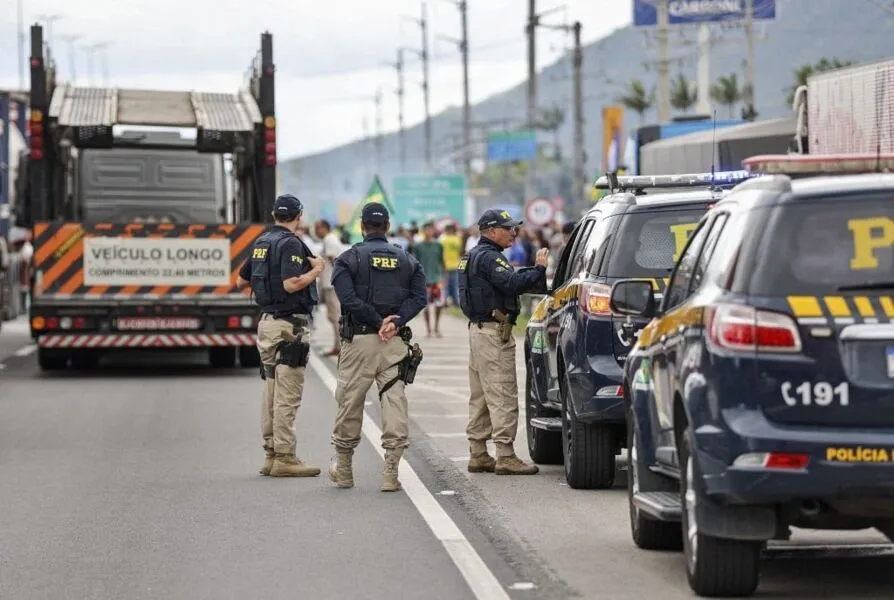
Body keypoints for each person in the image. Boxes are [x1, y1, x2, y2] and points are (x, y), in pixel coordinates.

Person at [329, 202, 427, 492]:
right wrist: (394, 322)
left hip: (359, 342)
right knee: (394, 402)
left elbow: (347, 299)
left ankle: (344, 469)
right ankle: (390, 472)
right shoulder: (408, 260)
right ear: (386, 227)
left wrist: (375, 320)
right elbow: (419, 298)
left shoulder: (348, 259)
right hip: (394, 343)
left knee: (350, 401)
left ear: (362, 227)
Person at [237, 193, 325, 478]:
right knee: (287, 393)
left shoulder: (261, 242)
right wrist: (317, 271)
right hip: (290, 326)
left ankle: (271, 454)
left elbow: (241, 281)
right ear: (299, 216)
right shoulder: (290, 244)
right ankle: (285, 457)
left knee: (272, 390)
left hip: (267, 323)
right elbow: (291, 284)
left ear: (274, 215)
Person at [458, 209, 549, 475]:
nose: (514, 232)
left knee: (482, 397)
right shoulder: (490, 258)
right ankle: (505, 455)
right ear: (491, 231)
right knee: (502, 393)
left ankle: (478, 453)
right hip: (494, 333)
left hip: (478, 331)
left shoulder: (471, 256)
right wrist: (539, 268)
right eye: (507, 228)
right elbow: (510, 283)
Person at [314, 219, 345, 356]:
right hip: (329, 284)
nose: (315, 231)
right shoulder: (329, 239)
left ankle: (341, 347)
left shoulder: (329, 239)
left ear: (324, 228)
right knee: (332, 316)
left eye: (317, 228)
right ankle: (337, 346)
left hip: (331, 285)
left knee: (335, 316)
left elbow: (334, 260)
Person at [410, 221, 446, 337]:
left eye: (431, 229)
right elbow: (415, 263)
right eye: (427, 229)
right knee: (425, 306)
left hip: (436, 278)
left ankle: (436, 327)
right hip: (424, 280)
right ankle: (428, 330)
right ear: (423, 231)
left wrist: (444, 277)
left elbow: (442, 261)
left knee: (439, 305)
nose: (429, 232)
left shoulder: (438, 245)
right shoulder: (418, 246)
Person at [440, 223, 463, 307]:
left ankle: (445, 302)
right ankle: (456, 302)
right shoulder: (458, 239)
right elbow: (460, 251)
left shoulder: (443, 240)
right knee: (455, 284)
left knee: (445, 285)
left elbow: (440, 253)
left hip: (445, 265)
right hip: (455, 264)